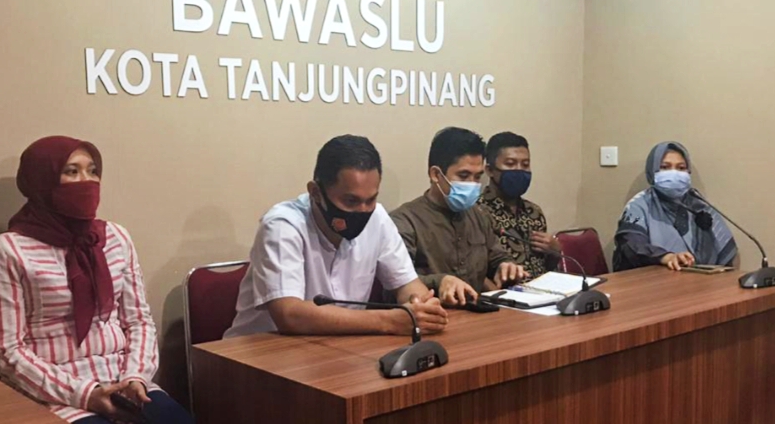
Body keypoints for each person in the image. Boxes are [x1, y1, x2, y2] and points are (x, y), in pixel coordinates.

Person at [0, 136, 195, 424]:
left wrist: (136, 377)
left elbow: (138, 320)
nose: (87, 181)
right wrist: (87, 394)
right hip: (52, 395)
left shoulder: (114, 237)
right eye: (71, 172)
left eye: (93, 171)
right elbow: (7, 352)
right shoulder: (6, 251)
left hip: (123, 381)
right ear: (41, 181)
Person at [224, 134, 448, 338]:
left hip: (338, 349)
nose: (363, 211)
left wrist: (420, 307)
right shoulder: (283, 225)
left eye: (370, 200)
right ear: (315, 192)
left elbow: (407, 284)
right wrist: (389, 321)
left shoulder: (377, 217)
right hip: (259, 355)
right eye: (350, 201)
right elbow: (289, 314)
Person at [389, 127, 526, 308]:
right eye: (463, 176)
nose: (472, 184)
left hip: (479, 316)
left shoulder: (479, 215)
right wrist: (440, 281)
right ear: (436, 175)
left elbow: (496, 257)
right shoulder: (405, 221)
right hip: (432, 316)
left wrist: (506, 266)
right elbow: (396, 282)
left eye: (477, 177)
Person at [612, 141, 738, 272]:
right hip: (652, 280)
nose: (674, 173)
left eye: (681, 168)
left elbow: (724, 249)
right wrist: (665, 257)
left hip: (701, 279)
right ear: (651, 171)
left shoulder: (698, 205)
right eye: (665, 167)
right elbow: (631, 244)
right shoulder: (639, 205)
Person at [477, 131, 561, 278]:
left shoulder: (534, 212)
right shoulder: (476, 212)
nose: (519, 170)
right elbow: (474, 272)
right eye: (510, 164)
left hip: (542, 290)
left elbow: (547, 268)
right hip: (502, 291)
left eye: (525, 164)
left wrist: (555, 251)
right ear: (490, 170)